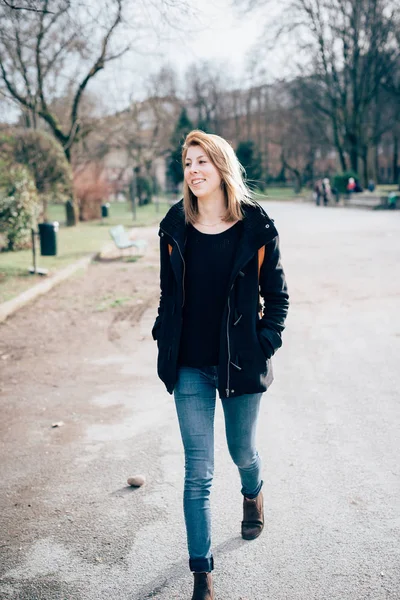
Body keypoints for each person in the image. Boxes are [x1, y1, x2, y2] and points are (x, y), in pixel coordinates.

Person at [152, 130, 289, 600]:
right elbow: (169, 295)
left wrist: (262, 343)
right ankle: (202, 574)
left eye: (201, 162)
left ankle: (253, 493)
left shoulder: (256, 228)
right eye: (187, 163)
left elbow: (279, 299)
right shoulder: (174, 226)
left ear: (222, 166)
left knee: (242, 453)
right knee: (199, 470)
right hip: (189, 365)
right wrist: (162, 334)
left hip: (239, 366)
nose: (192, 171)